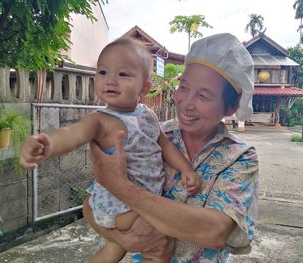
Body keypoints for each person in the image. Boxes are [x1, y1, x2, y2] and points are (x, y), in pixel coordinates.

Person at [20, 37, 201, 263]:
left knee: (113, 251)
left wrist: (186, 169)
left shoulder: (147, 114)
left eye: (123, 74)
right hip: (121, 208)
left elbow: (164, 144)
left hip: (135, 201)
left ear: (144, 86)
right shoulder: (100, 120)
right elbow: (72, 134)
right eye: (103, 72)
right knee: (158, 249)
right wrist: (48, 145)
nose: (110, 81)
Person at [83, 33, 259, 262]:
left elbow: (215, 231)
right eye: (183, 87)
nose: (186, 103)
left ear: (231, 106)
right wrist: (124, 241)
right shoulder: (149, 134)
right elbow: (91, 204)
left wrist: (121, 187)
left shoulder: (239, 157)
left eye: (203, 95)